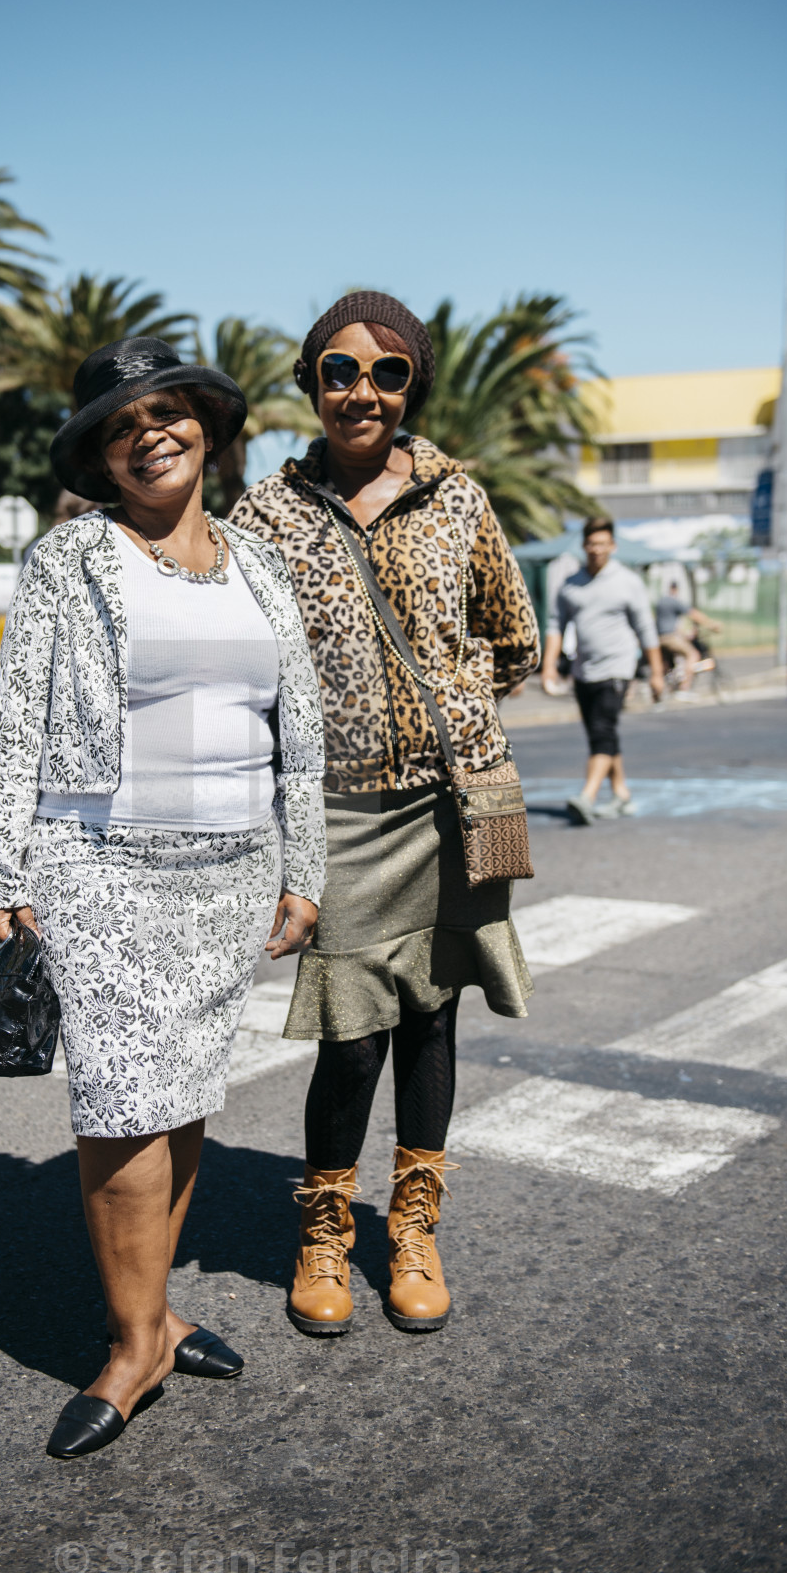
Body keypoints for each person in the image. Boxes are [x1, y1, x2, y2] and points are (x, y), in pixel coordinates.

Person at [0, 338, 326, 1457]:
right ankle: (133, 1344)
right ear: (101, 451)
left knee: (182, 1097)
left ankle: (161, 1316)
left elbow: (300, 737)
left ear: (207, 429)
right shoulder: (67, 560)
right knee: (122, 1105)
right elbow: (17, 719)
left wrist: (303, 866)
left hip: (231, 867)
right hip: (101, 864)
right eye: (124, 423)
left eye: (169, 412)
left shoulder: (261, 565)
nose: (149, 433)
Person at [231, 292, 540, 1337]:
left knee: (432, 1017)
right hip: (341, 813)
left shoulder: (460, 500)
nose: (363, 391)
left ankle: (414, 1227)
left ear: (413, 386)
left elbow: (513, 638)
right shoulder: (264, 518)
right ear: (310, 383)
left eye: (388, 372)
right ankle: (325, 1228)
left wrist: (448, 716)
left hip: (454, 805)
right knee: (351, 1036)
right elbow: (238, 663)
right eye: (339, 370)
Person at [540, 516, 663, 823]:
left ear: (613, 546)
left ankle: (588, 796)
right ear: (584, 546)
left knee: (603, 729)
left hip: (618, 669)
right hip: (584, 671)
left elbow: (646, 630)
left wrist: (657, 673)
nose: (597, 549)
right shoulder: (571, 585)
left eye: (603, 544)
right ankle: (621, 794)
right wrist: (548, 668)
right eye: (592, 544)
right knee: (600, 736)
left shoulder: (627, 582)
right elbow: (556, 625)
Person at [655, 581, 720, 690]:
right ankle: (685, 687)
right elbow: (693, 614)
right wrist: (710, 624)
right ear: (675, 590)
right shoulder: (674, 601)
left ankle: (670, 683)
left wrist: (685, 634)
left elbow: (668, 623)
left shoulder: (660, 602)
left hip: (659, 637)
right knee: (693, 655)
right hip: (670, 637)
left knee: (670, 661)